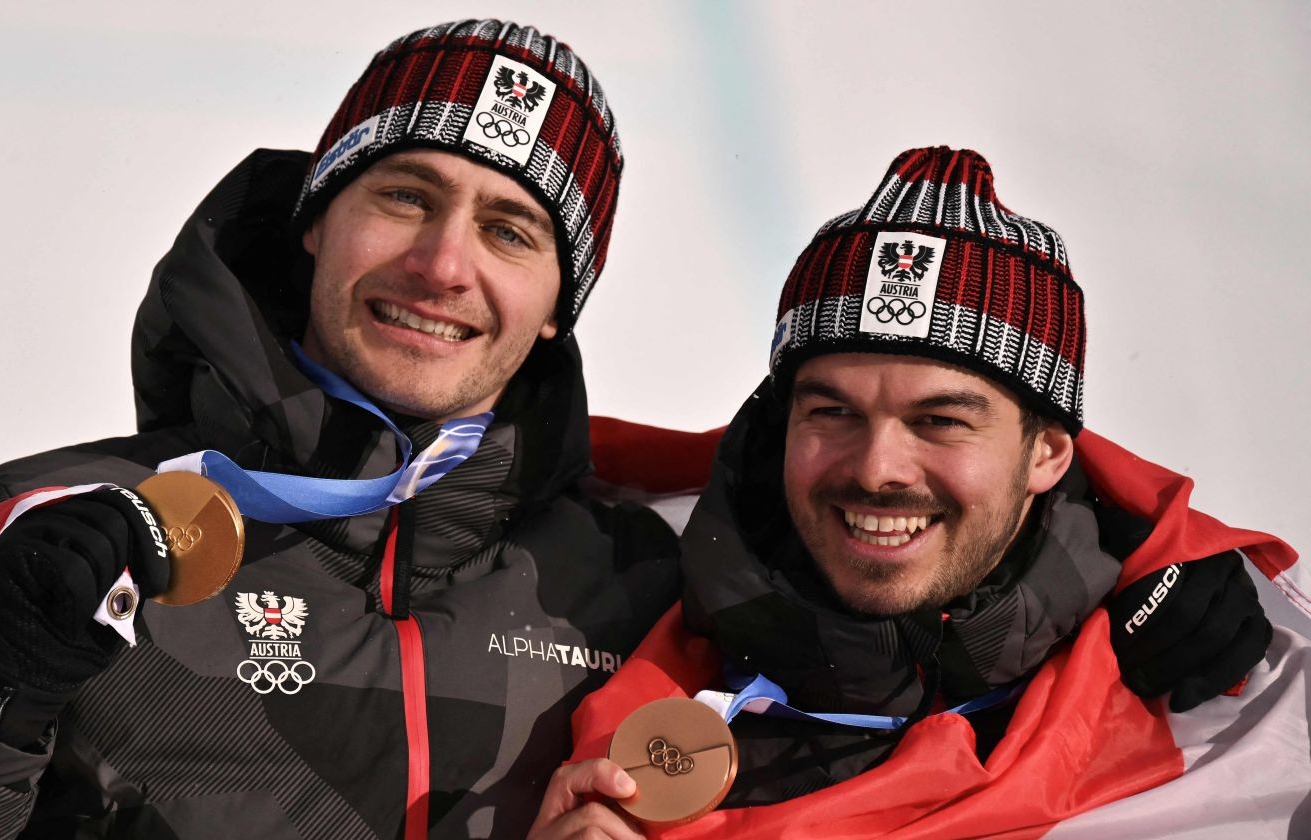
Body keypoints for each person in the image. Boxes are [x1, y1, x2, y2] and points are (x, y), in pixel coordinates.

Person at [0, 19, 679, 840]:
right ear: (317, 220)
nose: (443, 265)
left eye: (508, 232)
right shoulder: (48, 527)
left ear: (556, 307)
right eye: (407, 196)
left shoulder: (648, 591)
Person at [529, 147, 1305, 839]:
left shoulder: (1241, 705)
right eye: (833, 412)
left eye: (940, 421)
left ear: (1047, 453)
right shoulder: (608, 576)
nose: (877, 469)